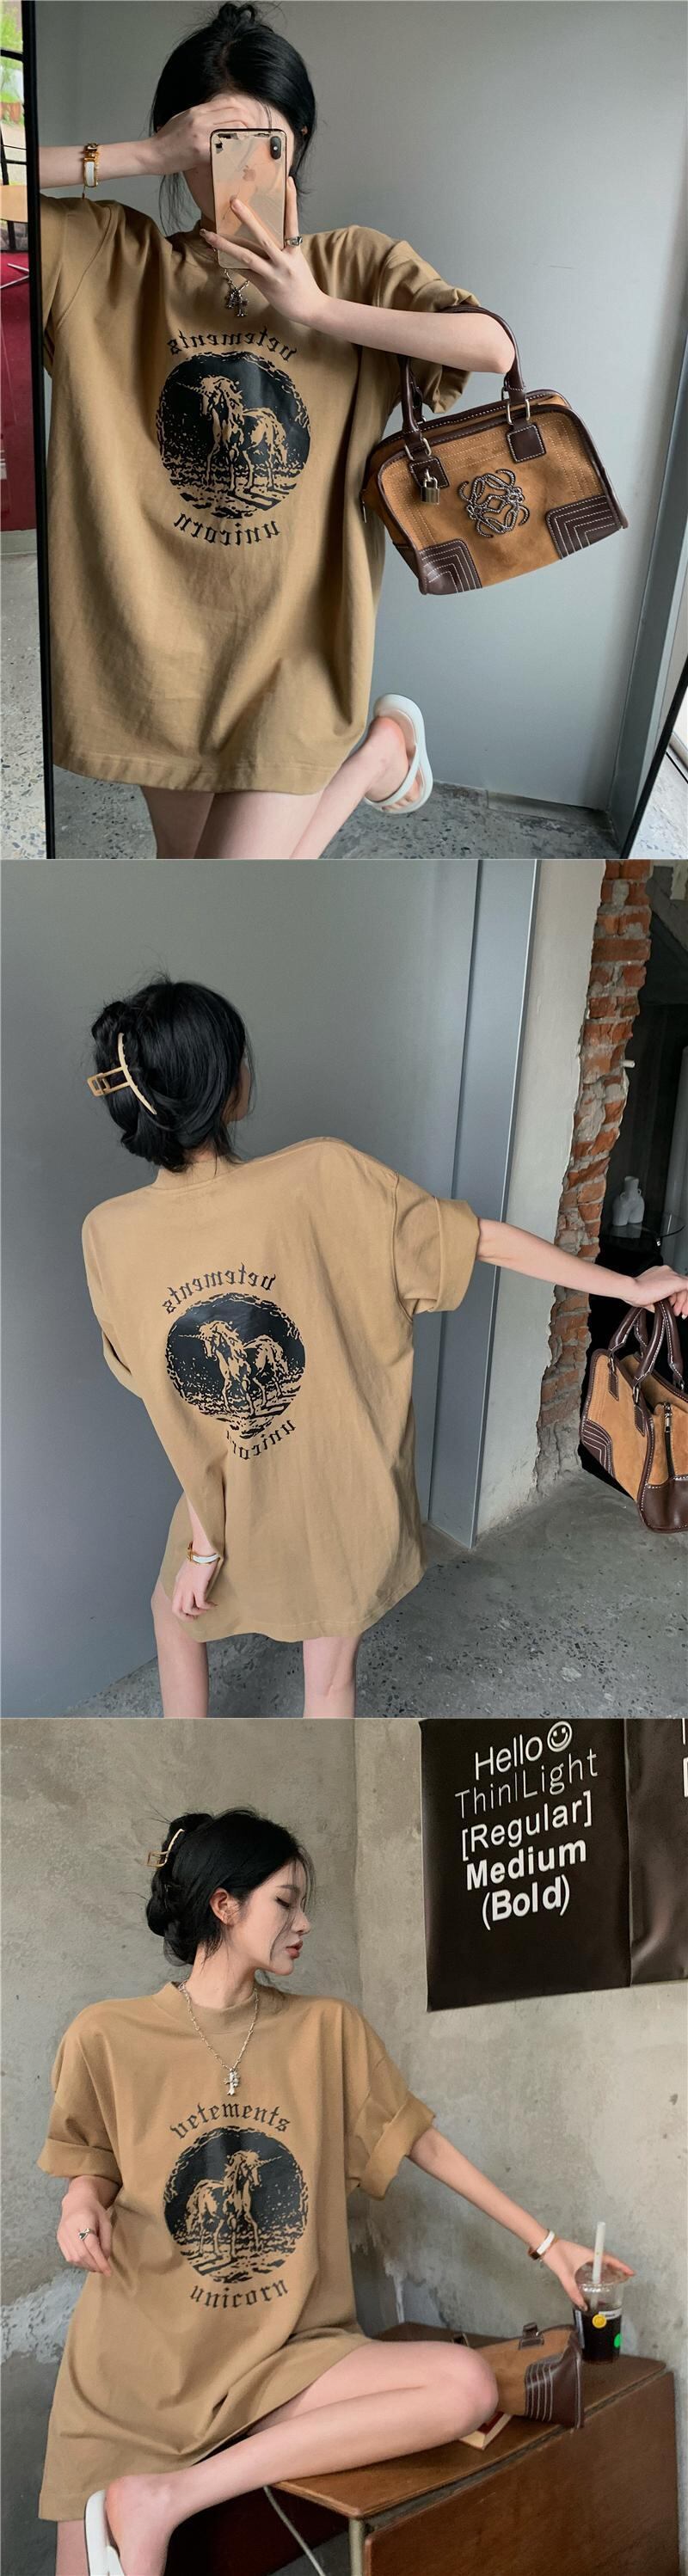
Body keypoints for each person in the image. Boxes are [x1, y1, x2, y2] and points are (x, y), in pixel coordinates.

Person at [39, 1804, 633, 2576]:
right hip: (137, 2370)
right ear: (224, 1905)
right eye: (285, 1902)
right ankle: (147, 2492)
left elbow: (419, 2140)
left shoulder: (328, 2030)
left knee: (464, 2388)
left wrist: (549, 2244)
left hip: (279, 2355)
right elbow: (92, 2158)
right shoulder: (106, 2035)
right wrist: (80, 2202)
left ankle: (166, 2497)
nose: (305, 1923)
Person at [82, 976, 688, 1720]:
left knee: (173, 1617)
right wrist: (628, 1286)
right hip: (348, 1499)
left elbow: (184, 1416)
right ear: (228, 1086)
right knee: (329, 1683)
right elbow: (479, 1240)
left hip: (231, 1503)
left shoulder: (107, 1235)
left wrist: (205, 1544)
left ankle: (189, 1762)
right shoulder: (323, 1175)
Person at [39, 2, 513, 860]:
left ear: (297, 142)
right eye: (205, 143)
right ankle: (382, 755)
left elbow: (491, 346)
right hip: (154, 654)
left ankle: (372, 755)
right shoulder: (109, 258)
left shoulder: (354, 264)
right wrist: (137, 156)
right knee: (193, 877)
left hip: (298, 649)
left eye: (260, 142)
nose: (229, 169)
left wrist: (318, 309)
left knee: (233, 880)